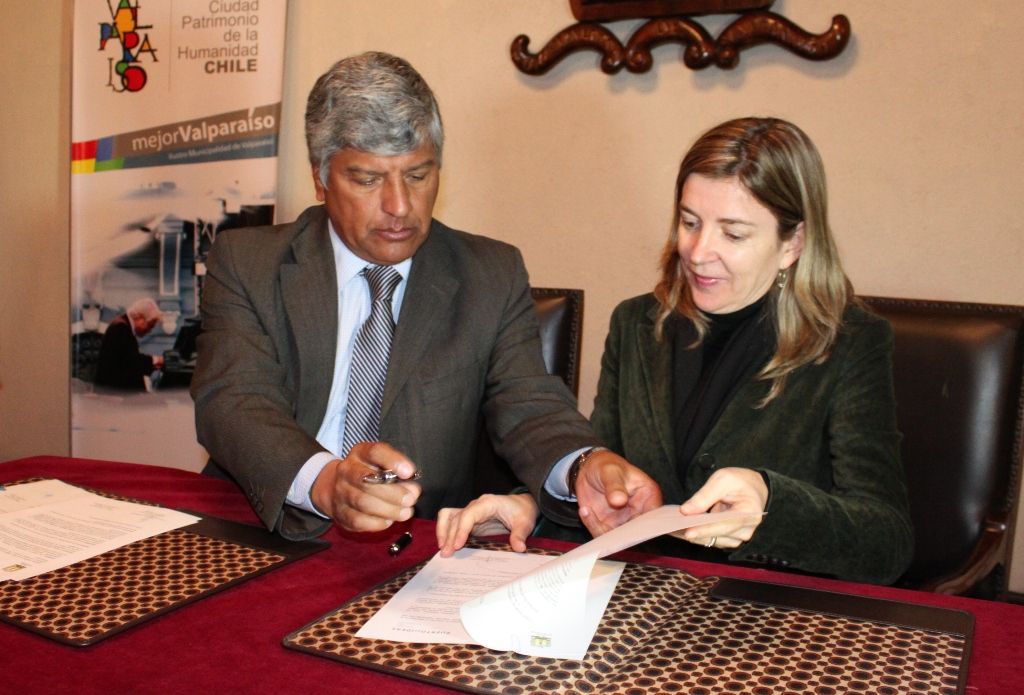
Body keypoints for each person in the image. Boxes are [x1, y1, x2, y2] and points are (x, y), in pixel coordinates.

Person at [190, 51, 649, 541]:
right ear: (320, 179)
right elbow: (235, 401)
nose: (400, 206)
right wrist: (326, 482)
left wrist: (582, 465)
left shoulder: (490, 274)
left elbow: (530, 404)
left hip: (420, 543)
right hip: (265, 528)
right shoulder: (249, 263)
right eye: (367, 179)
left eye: (418, 175)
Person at [437, 117, 914, 585]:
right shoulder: (637, 324)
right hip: (640, 599)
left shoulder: (850, 342)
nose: (698, 252)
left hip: (766, 614)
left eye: (733, 233)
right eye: (690, 222)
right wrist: (530, 506)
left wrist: (771, 504)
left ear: (793, 243)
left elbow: (886, 542)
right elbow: (608, 475)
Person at [94, 297, 164, 390]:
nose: (150, 331)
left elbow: (128, 358)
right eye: (150, 326)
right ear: (139, 317)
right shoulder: (121, 328)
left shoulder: (123, 325)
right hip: (113, 394)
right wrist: (155, 360)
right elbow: (130, 363)